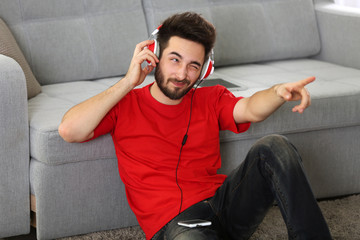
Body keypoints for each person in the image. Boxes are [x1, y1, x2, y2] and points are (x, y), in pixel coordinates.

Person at [58, 12, 332, 240]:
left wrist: (277, 91)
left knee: (275, 146)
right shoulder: (124, 103)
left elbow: (249, 109)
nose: (181, 74)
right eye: (174, 59)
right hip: (176, 224)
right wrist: (128, 81)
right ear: (155, 56)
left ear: (205, 70)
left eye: (193, 66)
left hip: (223, 204)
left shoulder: (210, 98)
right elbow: (69, 129)